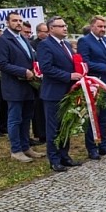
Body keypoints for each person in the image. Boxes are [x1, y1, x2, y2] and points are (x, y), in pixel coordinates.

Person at [0, 12, 45, 162]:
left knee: (27, 117)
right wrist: (23, 71)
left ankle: (25, 146)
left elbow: (31, 57)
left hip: (29, 85)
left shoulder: (23, 38)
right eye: (15, 20)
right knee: (15, 119)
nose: (18, 23)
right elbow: (2, 64)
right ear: (8, 22)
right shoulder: (3, 40)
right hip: (14, 85)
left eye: (20, 21)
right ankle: (16, 150)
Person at [37, 16, 84, 172]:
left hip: (67, 92)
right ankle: (54, 159)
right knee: (54, 127)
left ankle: (65, 155)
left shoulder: (66, 45)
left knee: (66, 125)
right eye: (61, 26)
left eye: (65, 25)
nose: (65, 28)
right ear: (51, 29)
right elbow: (46, 68)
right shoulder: (45, 45)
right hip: (53, 93)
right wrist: (68, 76)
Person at [77, 15, 106, 160]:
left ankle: (103, 145)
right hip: (95, 84)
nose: (103, 29)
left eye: (104, 27)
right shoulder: (84, 41)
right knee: (93, 117)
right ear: (92, 27)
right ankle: (92, 147)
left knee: (105, 116)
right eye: (100, 26)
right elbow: (85, 62)